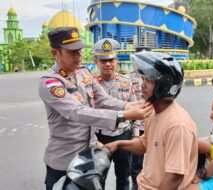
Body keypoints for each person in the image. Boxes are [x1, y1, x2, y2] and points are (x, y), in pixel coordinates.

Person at [38, 27, 153, 190]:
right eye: (72, 52)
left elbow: (103, 98)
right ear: (54, 53)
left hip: (88, 156)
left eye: (79, 51)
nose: (78, 56)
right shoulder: (50, 83)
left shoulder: (83, 73)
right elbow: (77, 112)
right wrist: (124, 115)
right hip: (64, 159)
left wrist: (130, 105)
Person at [105, 51, 198, 189]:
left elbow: (174, 177)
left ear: (164, 87)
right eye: (143, 79)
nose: (142, 85)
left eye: (148, 80)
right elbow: (145, 144)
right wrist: (117, 144)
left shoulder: (177, 125)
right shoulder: (153, 110)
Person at [92, 38, 139, 190]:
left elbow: (135, 111)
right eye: (103, 60)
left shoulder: (126, 81)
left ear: (116, 60)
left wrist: (136, 135)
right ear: (96, 61)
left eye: (111, 60)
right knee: (98, 177)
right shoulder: (90, 84)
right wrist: (92, 139)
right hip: (100, 137)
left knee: (123, 177)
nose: (107, 64)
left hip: (122, 135)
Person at [127, 46, 151, 190]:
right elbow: (129, 104)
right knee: (135, 164)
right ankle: (136, 186)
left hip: (152, 125)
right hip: (137, 127)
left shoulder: (155, 77)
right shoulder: (129, 78)